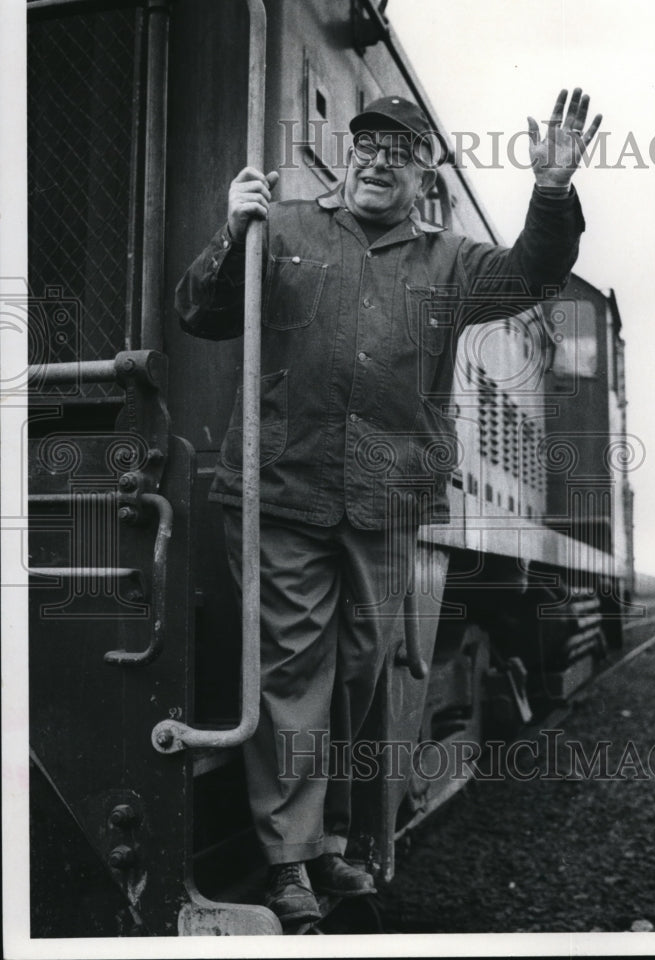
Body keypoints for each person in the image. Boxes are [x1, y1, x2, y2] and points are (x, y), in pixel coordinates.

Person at [175, 89, 601, 926]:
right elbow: (202, 312)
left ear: (422, 174)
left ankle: (333, 839)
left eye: (398, 152)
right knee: (293, 668)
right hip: (283, 494)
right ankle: (291, 864)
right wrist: (231, 231)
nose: (377, 160)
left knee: (362, 671)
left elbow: (536, 274)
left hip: (385, 504)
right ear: (350, 156)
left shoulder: (452, 265)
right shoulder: (281, 228)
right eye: (366, 144)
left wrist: (550, 191)